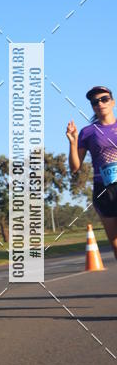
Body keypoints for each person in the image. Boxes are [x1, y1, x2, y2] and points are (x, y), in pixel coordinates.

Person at [67, 85, 117, 261]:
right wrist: (73, 143)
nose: (100, 103)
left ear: (112, 102)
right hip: (103, 189)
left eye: (104, 99)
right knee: (115, 244)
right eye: (95, 102)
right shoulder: (87, 132)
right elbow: (75, 167)